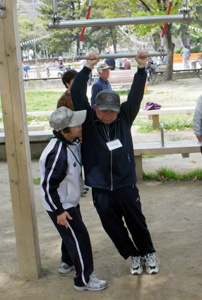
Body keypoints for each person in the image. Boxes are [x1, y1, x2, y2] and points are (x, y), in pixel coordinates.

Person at [71, 52, 160, 276]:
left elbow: (136, 95)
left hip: (125, 183)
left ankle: (148, 252)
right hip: (100, 186)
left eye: (113, 111)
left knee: (136, 221)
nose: (109, 115)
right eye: (104, 111)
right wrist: (86, 68)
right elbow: (76, 92)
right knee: (112, 226)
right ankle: (134, 255)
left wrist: (141, 69)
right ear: (95, 109)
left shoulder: (124, 118)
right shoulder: (89, 122)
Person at [39, 106, 108, 291]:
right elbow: (48, 186)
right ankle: (83, 280)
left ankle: (66, 262)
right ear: (64, 131)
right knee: (80, 237)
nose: (80, 126)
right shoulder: (57, 153)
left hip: (68, 200)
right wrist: (59, 211)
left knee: (70, 235)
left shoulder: (70, 142)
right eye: (76, 125)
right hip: (61, 204)